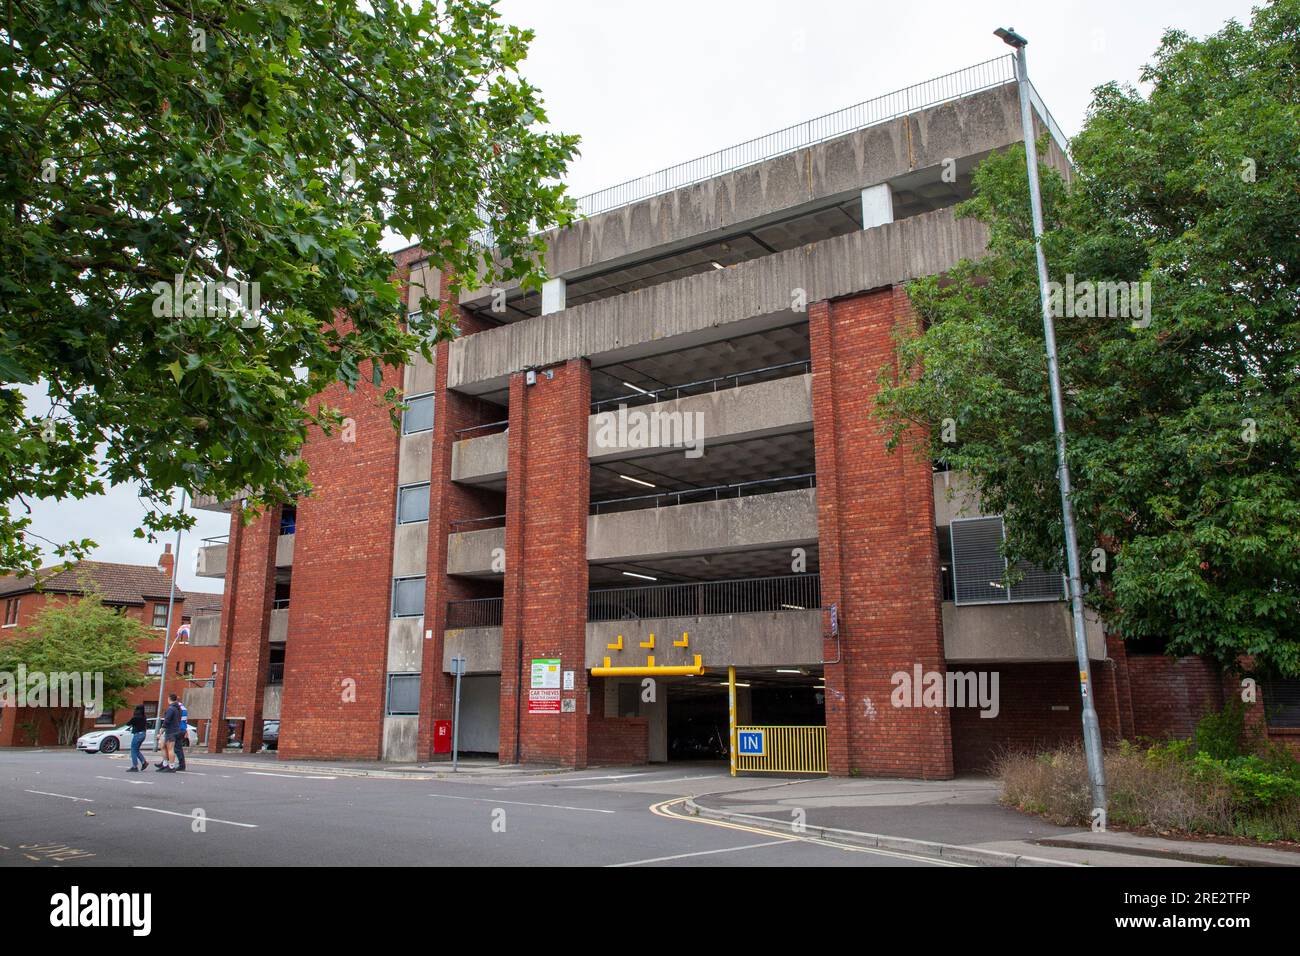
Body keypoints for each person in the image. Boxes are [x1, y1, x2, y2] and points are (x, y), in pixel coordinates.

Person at [156, 694, 182, 772]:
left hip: (171, 731)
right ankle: (165, 764)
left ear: (169, 699)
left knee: (170, 749)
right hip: (174, 730)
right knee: (162, 745)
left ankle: (171, 766)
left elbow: (167, 720)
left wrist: (161, 731)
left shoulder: (171, 709)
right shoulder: (177, 709)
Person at [126, 704, 149, 772]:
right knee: (136, 750)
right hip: (143, 734)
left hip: (137, 734)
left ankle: (135, 766)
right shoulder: (144, 717)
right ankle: (144, 762)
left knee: (133, 750)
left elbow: (128, 723)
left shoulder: (135, 717)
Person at [174, 697, 189, 771]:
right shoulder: (184, 708)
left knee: (176, 748)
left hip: (177, 729)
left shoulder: (177, 708)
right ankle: (181, 764)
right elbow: (185, 720)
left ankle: (181, 765)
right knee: (178, 747)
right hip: (182, 728)